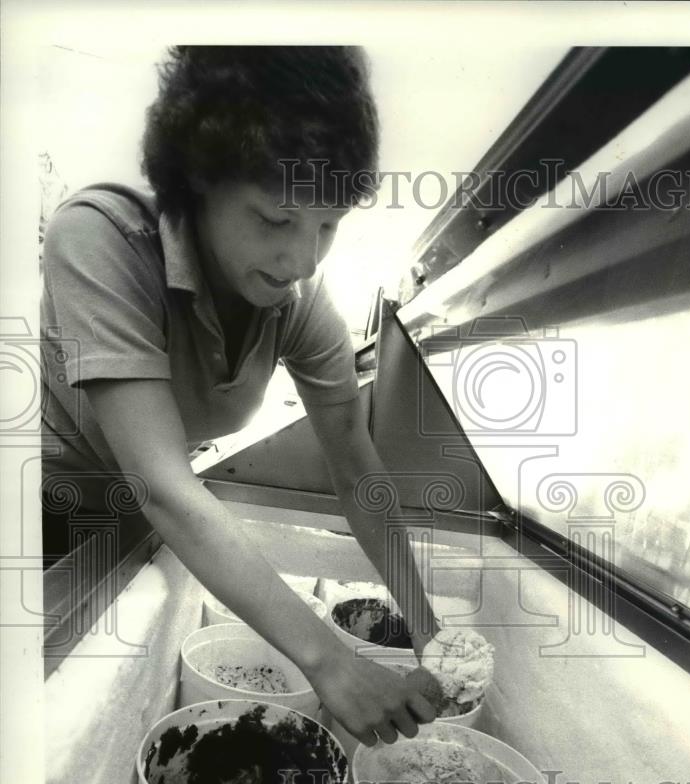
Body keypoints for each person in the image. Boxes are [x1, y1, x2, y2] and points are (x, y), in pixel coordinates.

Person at [39, 45, 439, 745]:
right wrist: (330, 663)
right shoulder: (101, 237)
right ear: (199, 184)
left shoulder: (296, 296)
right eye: (275, 220)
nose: (304, 259)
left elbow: (356, 465)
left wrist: (430, 632)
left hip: (133, 520)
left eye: (327, 224)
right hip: (42, 512)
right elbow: (165, 484)